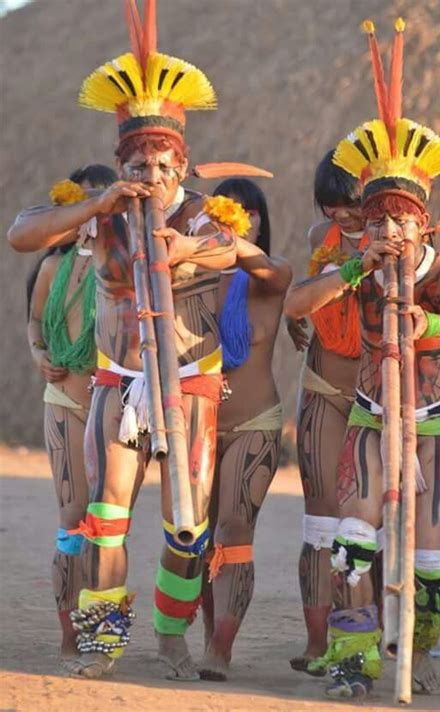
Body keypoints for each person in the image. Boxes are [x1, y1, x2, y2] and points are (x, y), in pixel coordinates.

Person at [9, 1, 242, 681]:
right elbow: (23, 231)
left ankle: (171, 637)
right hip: (118, 383)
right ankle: (105, 641)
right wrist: (94, 206)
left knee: (187, 529)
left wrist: (187, 246)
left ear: (182, 163)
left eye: (164, 161)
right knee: (107, 515)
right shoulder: (102, 218)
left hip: (189, 383)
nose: (152, 173)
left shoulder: (201, 212)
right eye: (138, 161)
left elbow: (234, 248)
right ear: (124, 164)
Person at [284, 18, 440, 698]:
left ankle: (414, 653)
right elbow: (299, 305)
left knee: (431, 567)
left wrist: (432, 322)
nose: (392, 230)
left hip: (438, 425)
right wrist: (354, 269)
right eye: (380, 219)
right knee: (351, 539)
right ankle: (352, 657)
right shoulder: (359, 263)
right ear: (366, 221)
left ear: (424, 221)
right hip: (370, 415)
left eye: (403, 220)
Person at [199, 178, 292, 680]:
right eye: (231, 212)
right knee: (198, 537)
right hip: (200, 424)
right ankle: (207, 631)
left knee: (234, 529)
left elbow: (258, 262)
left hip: (256, 423)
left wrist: (231, 241)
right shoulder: (191, 277)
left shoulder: (272, 275)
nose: (243, 220)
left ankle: (221, 648)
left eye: (250, 213)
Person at [27, 164, 117, 664]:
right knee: (71, 520)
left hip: (110, 402)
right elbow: (36, 320)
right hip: (63, 399)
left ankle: (99, 630)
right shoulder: (52, 266)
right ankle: (69, 635)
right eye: (83, 202)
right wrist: (39, 352)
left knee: (103, 524)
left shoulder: (122, 266)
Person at [286, 151, 370, 674]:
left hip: (374, 399)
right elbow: (304, 299)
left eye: (351, 205)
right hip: (322, 385)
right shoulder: (322, 238)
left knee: (364, 526)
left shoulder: (405, 241)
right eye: (333, 205)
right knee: (319, 523)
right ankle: (317, 644)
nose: (342, 216)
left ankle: (366, 636)